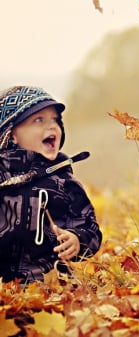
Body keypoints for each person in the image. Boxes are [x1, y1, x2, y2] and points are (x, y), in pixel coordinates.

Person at [0, 85, 102, 283]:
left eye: (55, 120)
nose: (52, 126)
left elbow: (90, 227)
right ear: (11, 134)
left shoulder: (63, 182)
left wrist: (77, 240)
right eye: (38, 120)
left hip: (49, 283)